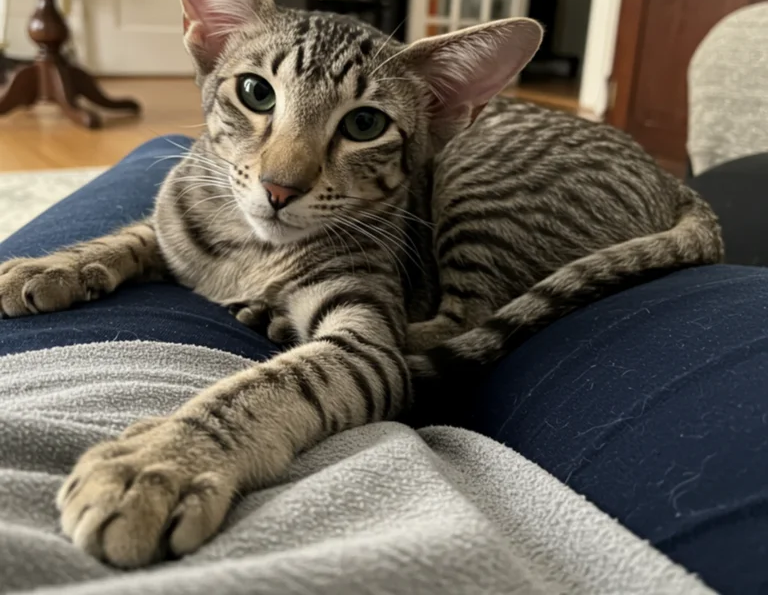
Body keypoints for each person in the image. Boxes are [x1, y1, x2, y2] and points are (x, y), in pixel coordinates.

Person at [1, 135, 766, 595]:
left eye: (361, 124)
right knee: (160, 163)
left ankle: (455, 320)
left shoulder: (372, 213)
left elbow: (366, 351)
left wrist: (203, 440)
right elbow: (168, 230)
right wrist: (101, 255)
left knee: (467, 186)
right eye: (255, 94)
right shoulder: (212, 183)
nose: (282, 170)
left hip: (575, 186)